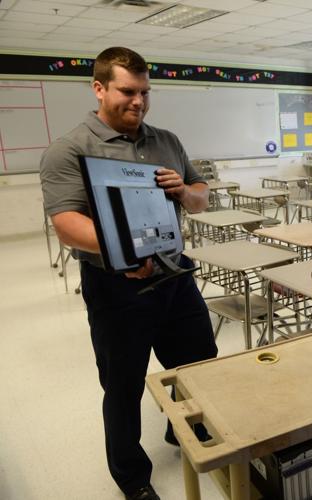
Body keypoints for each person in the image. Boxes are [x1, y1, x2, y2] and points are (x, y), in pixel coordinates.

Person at [39, 47, 217, 500]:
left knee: (198, 364)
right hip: (116, 287)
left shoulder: (167, 141)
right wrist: (125, 250)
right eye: (127, 91)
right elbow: (67, 223)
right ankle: (132, 479)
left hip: (175, 277)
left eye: (145, 92)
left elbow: (202, 196)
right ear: (99, 88)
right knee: (123, 386)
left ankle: (184, 429)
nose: (138, 101)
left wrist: (186, 192)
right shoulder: (69, 149)